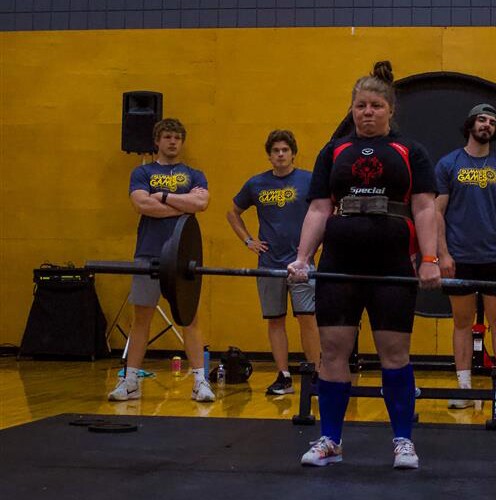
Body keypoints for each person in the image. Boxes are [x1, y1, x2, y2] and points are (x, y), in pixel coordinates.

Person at [287, 61, 440, 469]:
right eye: (359, 106)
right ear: (352, 109)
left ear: (389, 109)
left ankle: (403, 441)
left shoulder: (411, 152)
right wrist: (302, 259)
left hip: (391, 264)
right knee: (333, 351)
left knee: (394, 352)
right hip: (339, 263)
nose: (367, 112)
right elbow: (319, 209)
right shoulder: (333, 151)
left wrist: (429, 259)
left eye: (375, 105)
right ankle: (330, 440)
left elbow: (425, 208)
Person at [108, 118, 215, 403]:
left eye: (177, 137)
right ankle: (130, 381)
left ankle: (200, 382)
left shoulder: (195, 174)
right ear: (157, 141)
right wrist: (182, 205)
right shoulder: (142, 172)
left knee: (189, 318)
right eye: (167, 136)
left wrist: (165, 196)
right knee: (141, 318)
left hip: (184, 256)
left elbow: (201, 204)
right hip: (149, 252)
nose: (172, 142)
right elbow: (142, 204)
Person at [435, 103, 496, 410]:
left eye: (491, 121)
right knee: (461, 322)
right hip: (459, 256)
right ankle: (464, 388)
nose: (486, 124)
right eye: (481, 119)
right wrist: (443, 254)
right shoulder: (449, 164)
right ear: (470, 125)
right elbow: (437, 212)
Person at [226, 129, 321, 396]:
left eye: (285, 150)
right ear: (269, 155)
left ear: (293, 153)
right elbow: (233, 213)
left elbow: (325, 211)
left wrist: (313, 245)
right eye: (275, 151)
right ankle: (284, 376)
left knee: (307, 318)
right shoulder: (256, 184)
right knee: (275, 321)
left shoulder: (308, 180)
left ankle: (315, 374)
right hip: (269, 263)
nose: (280, 154)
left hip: (301, 263)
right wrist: (248, 241)